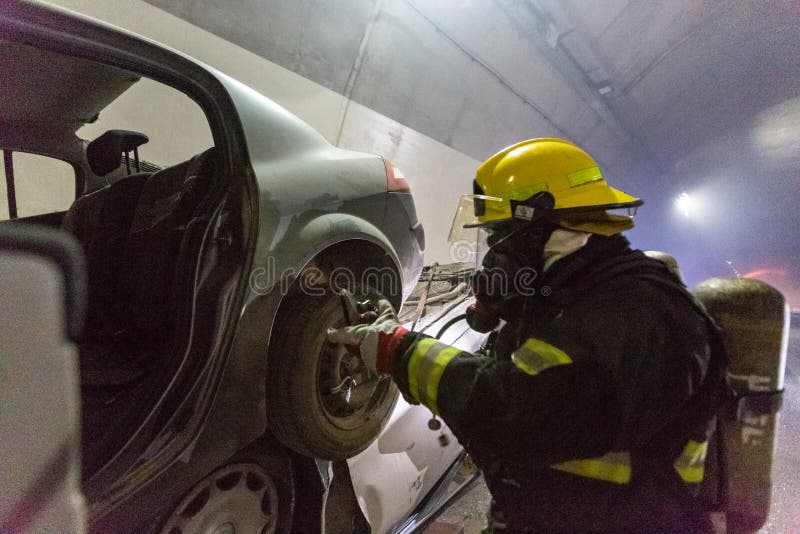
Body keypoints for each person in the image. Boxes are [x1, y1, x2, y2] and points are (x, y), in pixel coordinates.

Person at [328, 138, 722, 533]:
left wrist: (398, 350)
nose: (493, 256)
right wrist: (510, 309)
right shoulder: (573, 299)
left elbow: (514, 413)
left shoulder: (641, 314)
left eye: (501, 236)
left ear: (543, 231)